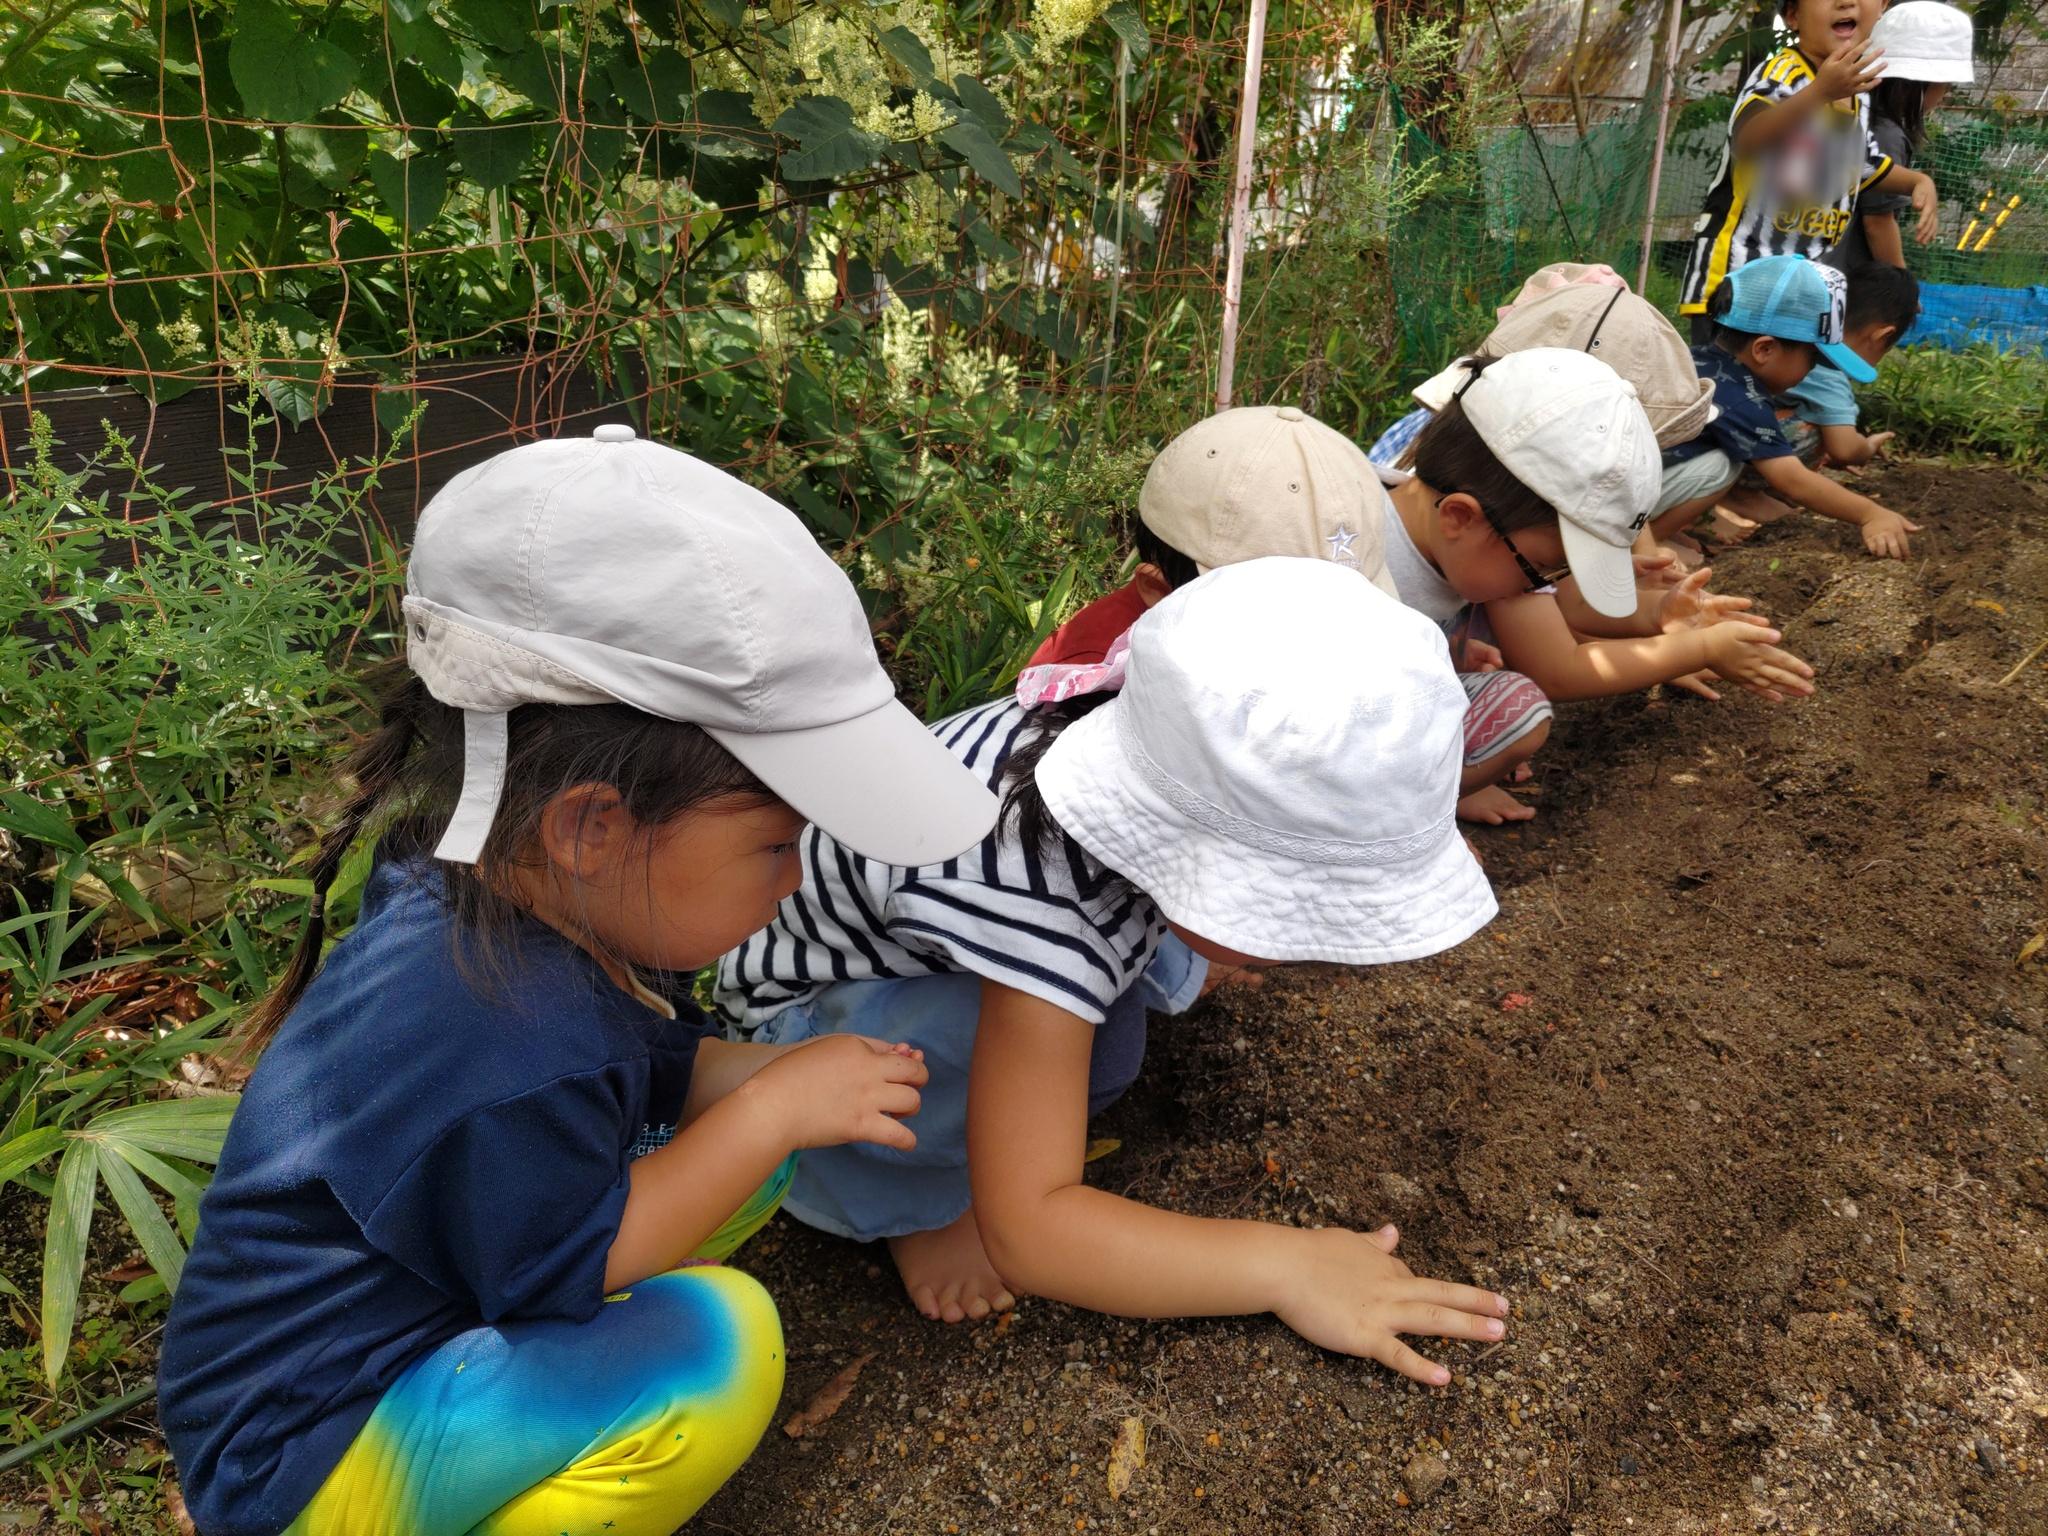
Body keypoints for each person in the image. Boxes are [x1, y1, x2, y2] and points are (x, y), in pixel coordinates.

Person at [156, 426, 1002, 1536]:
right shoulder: (506, 1033)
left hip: (312, 1372)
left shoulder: (479, 890)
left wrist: (784, 1077)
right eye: (774, 845)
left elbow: (652, 1067)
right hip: (303, 1454)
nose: (799, 880)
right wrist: (770, 1110)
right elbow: (583, 1251)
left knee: (742, 1142)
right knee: (719, 1346)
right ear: (592, 826)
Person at [719, 557, 1516, 1383]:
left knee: (1105, 1027)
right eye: (1301, 908)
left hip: (935, 936)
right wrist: (1287, 1266)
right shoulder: (1039, 909)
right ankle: (900, 1200)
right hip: (802, 1028)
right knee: (1090, 1045)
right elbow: (1033, 1235)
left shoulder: (1118, 722)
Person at [1678, 0, 1938, 340]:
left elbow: (1862, 165)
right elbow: (1747, 139)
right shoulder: (1783, 72)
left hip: (1797, 287)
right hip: (1739, 279)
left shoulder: (1855, 95)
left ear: (1883, 10)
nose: (1847, 2)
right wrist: (1818, 94)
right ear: (1793, 16)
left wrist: (1917, 181)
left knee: (1780, 387)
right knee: (1728, 387)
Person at [1653, 254, 1923, 560]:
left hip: (1620, 484)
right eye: (1812, 360)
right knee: (1722, 467)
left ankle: (1660, 531)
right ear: (1765, 349)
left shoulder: (1698, 358)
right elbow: (1794, 480)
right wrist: (1870, 513)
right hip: (1622, 496)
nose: (1810, 372)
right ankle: (1647, 541)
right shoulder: (1743, 398)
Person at [1715, 261, 1921, 534]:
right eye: (1813, 359)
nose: (1813, 369)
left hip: (1680, 466)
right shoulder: (1754, 397)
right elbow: (1828, 458)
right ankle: (1721, 505)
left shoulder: (1709, 362)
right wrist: (1870, 507)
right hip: (1683, 476)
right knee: (1809, 432)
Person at [1836, 2, 1976, 270]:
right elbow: (1877, 222)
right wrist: (1903, 286)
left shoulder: (1857, 113)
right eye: (1945, 86)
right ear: (1921, 87)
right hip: (1849, 278)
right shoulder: (1886, 135)